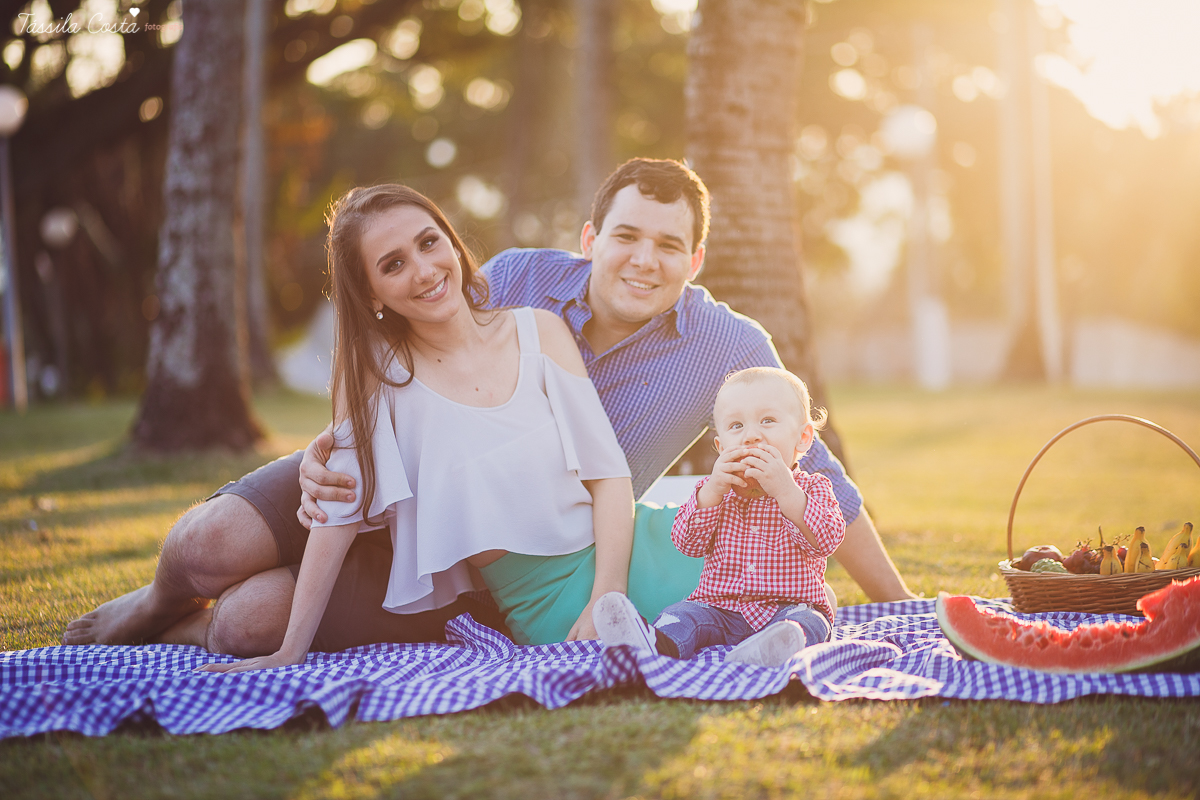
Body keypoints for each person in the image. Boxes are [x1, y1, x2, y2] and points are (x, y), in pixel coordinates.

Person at [63, 158, 911, 654]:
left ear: (696, 257)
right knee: (210, 543)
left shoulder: (727, 346)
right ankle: (151, 604)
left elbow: (815, 470)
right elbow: (412, 344)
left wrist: (899, 605)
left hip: (484, 549)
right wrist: (332, 445)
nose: (643, 260)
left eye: (666, 245)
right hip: (391, 471)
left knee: (247, 618)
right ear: (590, 239)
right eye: (625, 236)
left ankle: (196, 631)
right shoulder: (516, 282)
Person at [197, 184, 650, 671]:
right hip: (538, 602)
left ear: (453, 243)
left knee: (740, 585)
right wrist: (290, 651)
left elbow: (608, 474)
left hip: (631, 559)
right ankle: (161, 612)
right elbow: (339, 511)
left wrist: (608, 597)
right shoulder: (380, 374)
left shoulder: (538, 331)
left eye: (429, 242)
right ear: (371, 292)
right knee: (211, 563)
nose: (425, 270)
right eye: (393, 264)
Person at [593, 367, 843, 667]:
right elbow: (687, 544)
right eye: (736, 426)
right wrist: (710, 493)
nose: (751, 436)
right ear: (721, 447)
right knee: (683, 615)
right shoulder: (713, 492)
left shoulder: (812, 488)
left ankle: (775, 649)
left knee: (811, 621)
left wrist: (787, 492)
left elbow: (827, 540)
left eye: (768, 421)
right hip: (719, 608)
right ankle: (654, 644)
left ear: (802, 438)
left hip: (786, 607)